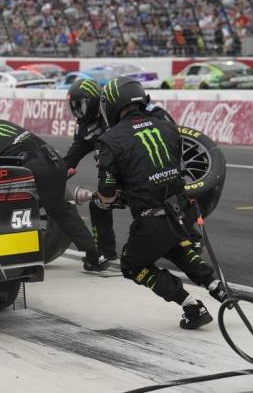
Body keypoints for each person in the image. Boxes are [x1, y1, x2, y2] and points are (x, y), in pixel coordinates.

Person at [93, 77, 227, 330]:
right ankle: (217, 287)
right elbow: (167, 168)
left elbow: (107, 192)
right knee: (173, 244)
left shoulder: (109, 140)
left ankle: (191, 306)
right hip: (182, 210)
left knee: (132, 264)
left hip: (152, 218)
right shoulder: (166, 126)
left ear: (111, 104)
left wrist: (104, 199)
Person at [0, 116, 110, 271]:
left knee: (3, 208)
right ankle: (95, 256)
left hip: (36, 168)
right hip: (55, 160)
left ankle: (93, 255)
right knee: (61, 210)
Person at [64, 78, 202, 260]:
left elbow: (172, 138)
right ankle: (105, 253)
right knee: (99, 203)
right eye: (74, 108)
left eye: (80, 106)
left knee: (169, 198)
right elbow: (72, 157)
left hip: (152, 172)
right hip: (120, 177)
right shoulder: (85, 129)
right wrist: (57, 171)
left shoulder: (146, 113)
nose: (77, 113)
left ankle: (192, 236)